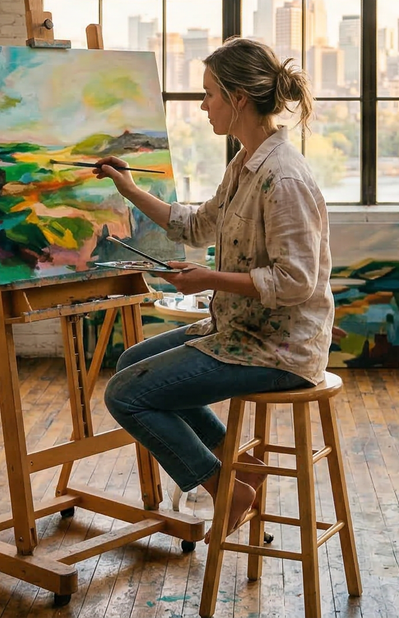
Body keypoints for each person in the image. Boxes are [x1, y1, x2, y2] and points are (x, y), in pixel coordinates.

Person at [96, 37, 335, 535]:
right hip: (240, 331)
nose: (203, 106)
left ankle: (224, 487)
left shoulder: (283, 178)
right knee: (129, 363)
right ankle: (237, 463)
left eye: (209, 94)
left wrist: (207, 278)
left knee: (124, 394)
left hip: (279, 350)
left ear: (238, 98)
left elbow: (296, 282)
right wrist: (130, 189)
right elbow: (194, 226)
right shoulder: (244, 164)